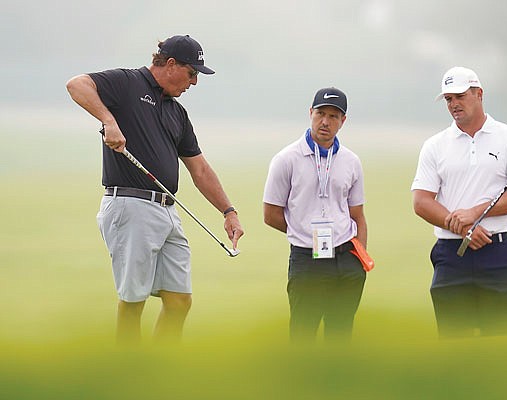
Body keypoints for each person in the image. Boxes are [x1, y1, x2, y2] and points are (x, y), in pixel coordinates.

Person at [66, 34, 244, 344]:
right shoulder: (127, 83)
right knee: (133, 301)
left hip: (167, 211)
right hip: (130, 205)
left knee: (179, 300)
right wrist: (109, 120)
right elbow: (76, 84)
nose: (194, 83)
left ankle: (160, 372)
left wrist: (228, 211)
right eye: (192, 73)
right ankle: (130, 376)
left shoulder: (177, 112)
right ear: (171, 64)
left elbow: (199, 168)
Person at [411, 66, 507, 338]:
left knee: (498, 342)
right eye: (448, 99)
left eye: (460, 96)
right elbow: (421, 201)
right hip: (450, 255)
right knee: (454, 345)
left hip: (497, 252)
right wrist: (460, 226)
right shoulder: (435, 145)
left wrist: (475, 213)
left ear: (479, 94)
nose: (454, 104)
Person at [263, 87, 368, 343]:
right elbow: (271, 214)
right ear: (310, 113)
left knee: (341, 335)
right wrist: (302, 232)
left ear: (343, 121)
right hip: (307, 259)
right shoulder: (286, 159)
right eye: (321, 113)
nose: (325, 122)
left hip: (346, 259)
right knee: (303, 335)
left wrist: (361, 258)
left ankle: (337, 383)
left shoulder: (351, 161)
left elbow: (357, 215)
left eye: (334, 116)